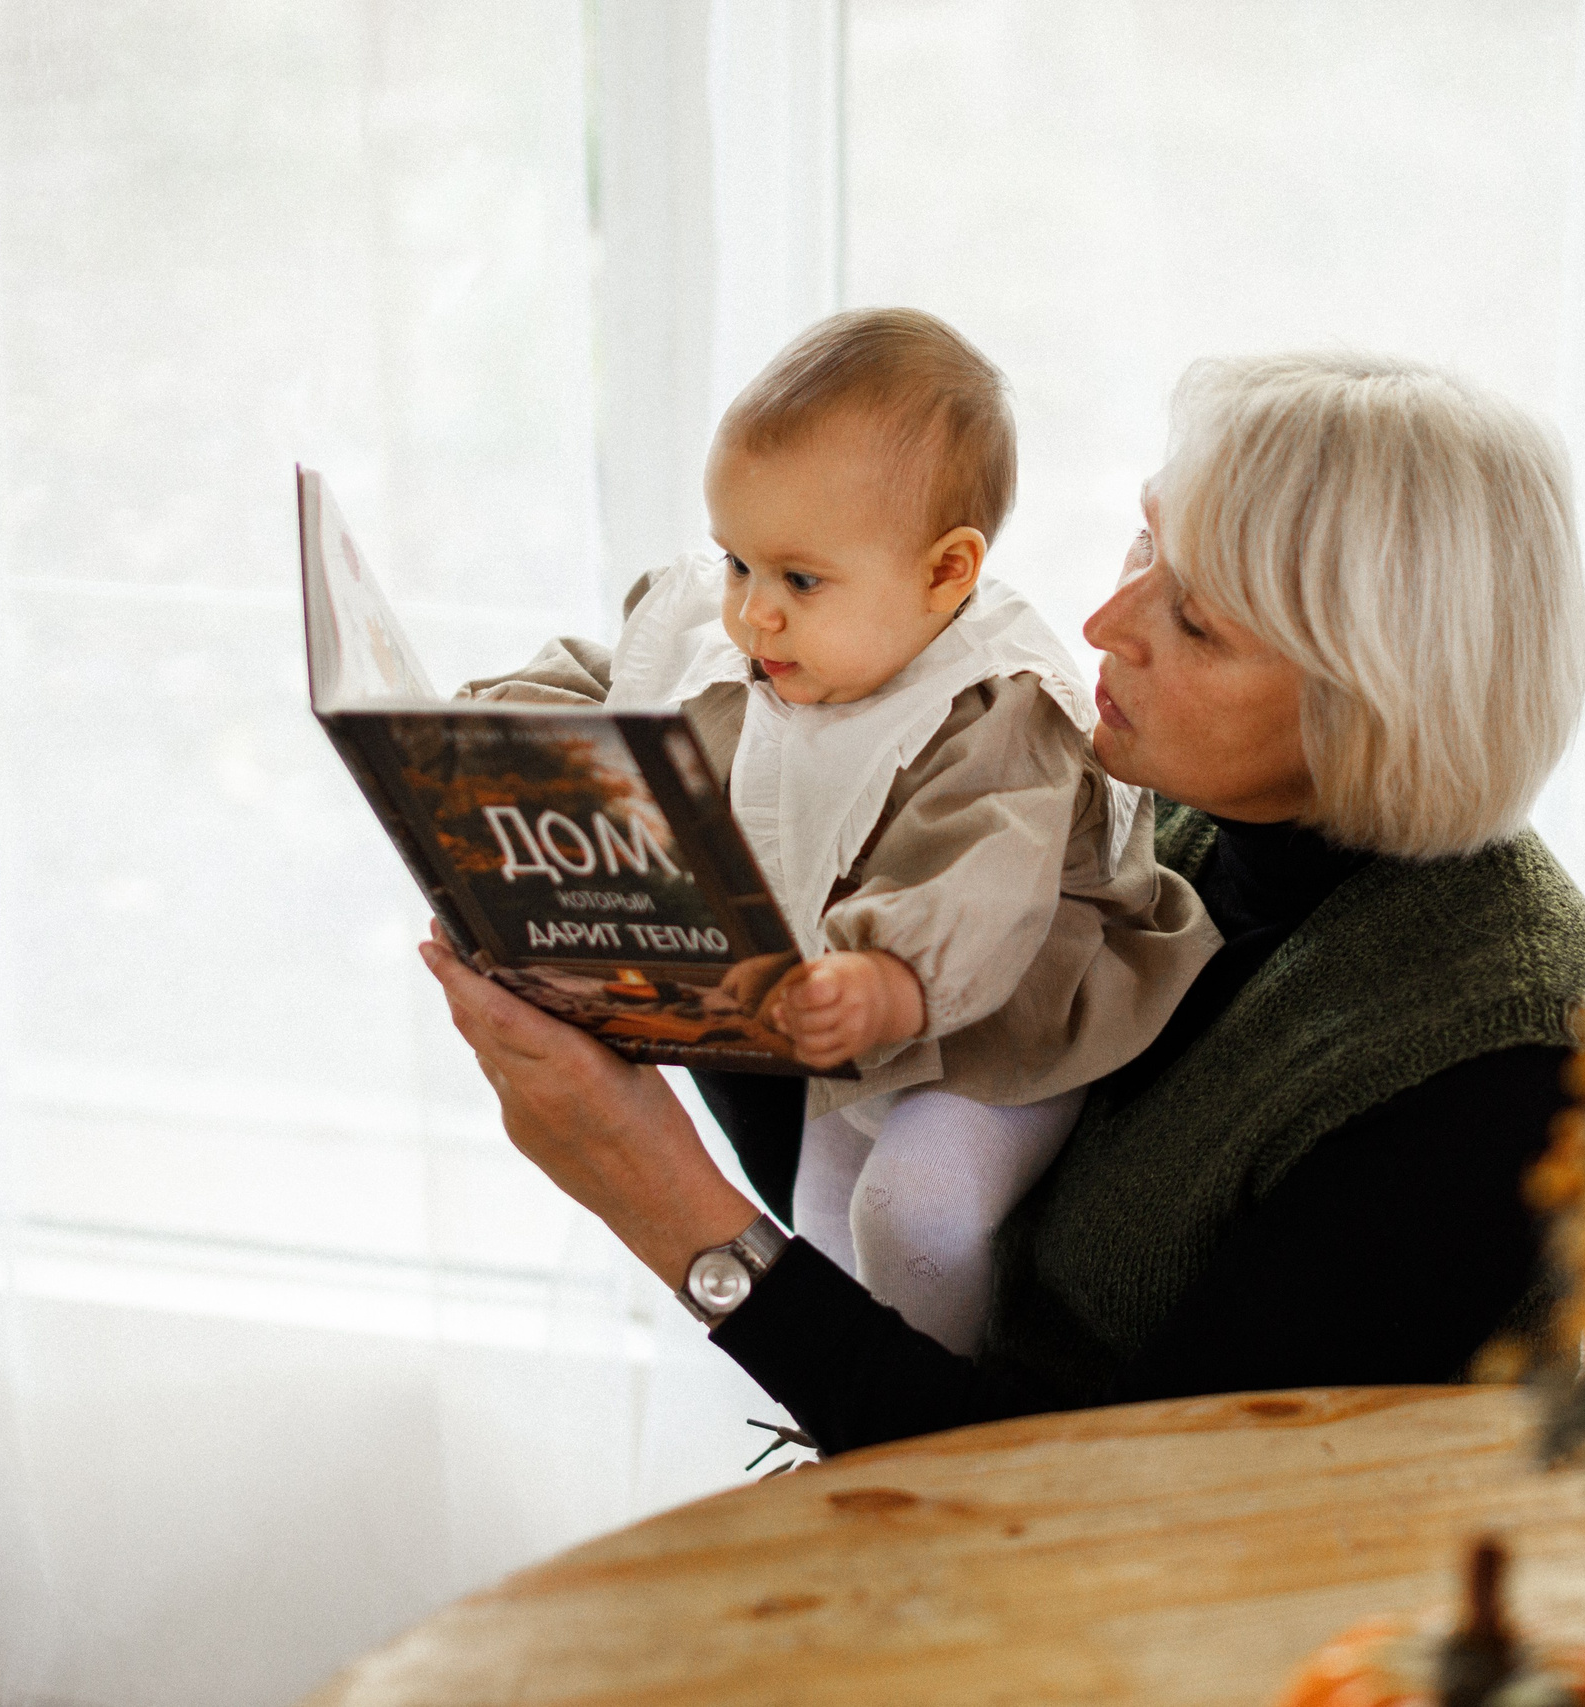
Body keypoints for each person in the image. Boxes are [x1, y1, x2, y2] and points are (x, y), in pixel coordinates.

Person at [426, 350, 1585, 1455]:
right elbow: (859, 1113)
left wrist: (668, 1209)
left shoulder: (1496, 1070)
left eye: (1195, 620)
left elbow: (1099, 1494)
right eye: (1143, 546)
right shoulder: (1148, 805)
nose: (1105, 625)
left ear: (1375, 703)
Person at [461, 308, 1216, 1355]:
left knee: (912, 1212)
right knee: (817, 1229)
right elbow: (623, 683)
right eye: (735, 563)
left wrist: (890, 981)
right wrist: (486, 726)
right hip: (838, 1010)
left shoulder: (996, 709)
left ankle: (949, 1409)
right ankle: (849, 1422)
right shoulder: (764, 642)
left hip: (995, 1018)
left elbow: (982, 879)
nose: (752, 614)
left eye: (798, 580)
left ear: (946, 574)